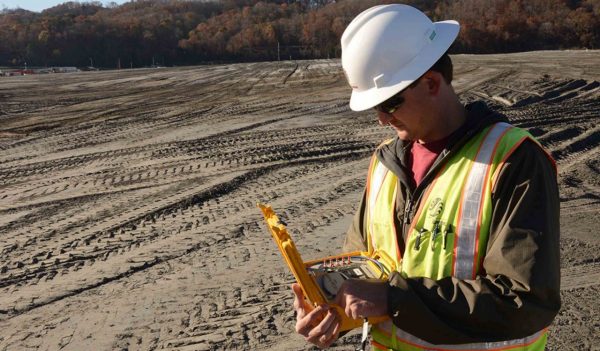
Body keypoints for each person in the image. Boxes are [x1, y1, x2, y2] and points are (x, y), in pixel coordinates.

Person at [291, 4, 560, 351]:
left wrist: (394, 299)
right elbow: (362, 268)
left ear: (432, 82)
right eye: (375, 108)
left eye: (389, 104)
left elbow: (526, 301)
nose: (381, 120)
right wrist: (330, 308)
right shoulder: (384, 163)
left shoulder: (514, 160)